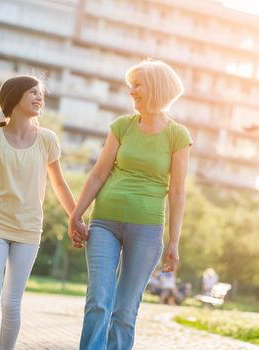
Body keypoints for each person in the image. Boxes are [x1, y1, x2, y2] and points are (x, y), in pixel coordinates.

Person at [70, 59, 192, 350]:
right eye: (131, 85)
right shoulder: (122, 126)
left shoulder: (177, 135)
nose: (131, 91)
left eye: (137, 85)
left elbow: (176, 192)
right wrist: (76, 214)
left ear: (157, 88)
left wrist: (174, 242)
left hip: (147, 230)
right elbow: (99, 173)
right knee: (98, 300)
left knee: (124, 311)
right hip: (104, 223)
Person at [0, 75, 79, 350]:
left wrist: (76, 217)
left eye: (40, 93)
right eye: (32, 92)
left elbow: (60, 184)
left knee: (12, 303)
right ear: (14, 98)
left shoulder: (47, 140)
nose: (39, 98)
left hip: (29, 231)